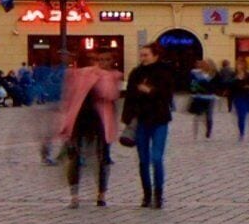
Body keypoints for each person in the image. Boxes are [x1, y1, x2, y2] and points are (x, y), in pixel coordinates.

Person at [55, 60, 123, 208]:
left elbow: (109, 94)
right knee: (75, 158)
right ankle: (74, 196)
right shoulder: (78, 75)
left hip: (101, 123)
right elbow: (68, 99)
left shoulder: (109, 77)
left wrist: (102, 78)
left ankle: (101, 194)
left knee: (103, 158)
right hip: (79, 122)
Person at [122, 56, 182, 209]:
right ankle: (146, 194)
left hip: (159, 119)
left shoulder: (164, 72)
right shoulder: (136, 73)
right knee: (143, 159)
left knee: (156, 157)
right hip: (141, 120)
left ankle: (158, 194)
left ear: (155, 56)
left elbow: (168, 95)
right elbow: (129, 96)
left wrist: (150, 91)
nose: (142, 57)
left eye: (146, 54)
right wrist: (127, 118)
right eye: (141, 55)